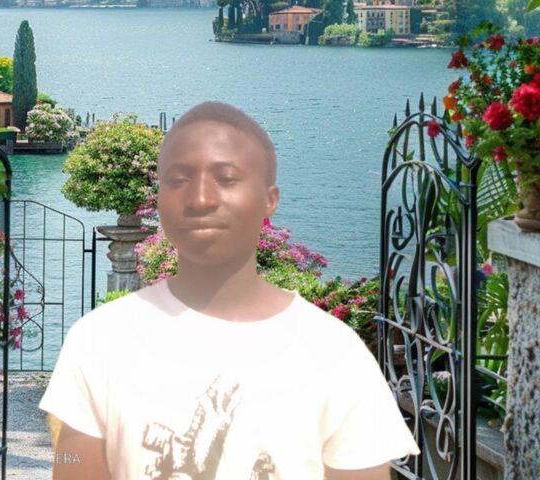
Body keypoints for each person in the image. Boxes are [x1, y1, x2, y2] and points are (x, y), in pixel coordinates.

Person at [38, 101, 421, 480]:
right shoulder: (100, 339)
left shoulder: (336, 355)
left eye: (226, 179)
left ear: (270, 200)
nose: (200, 199)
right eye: (178, 180)